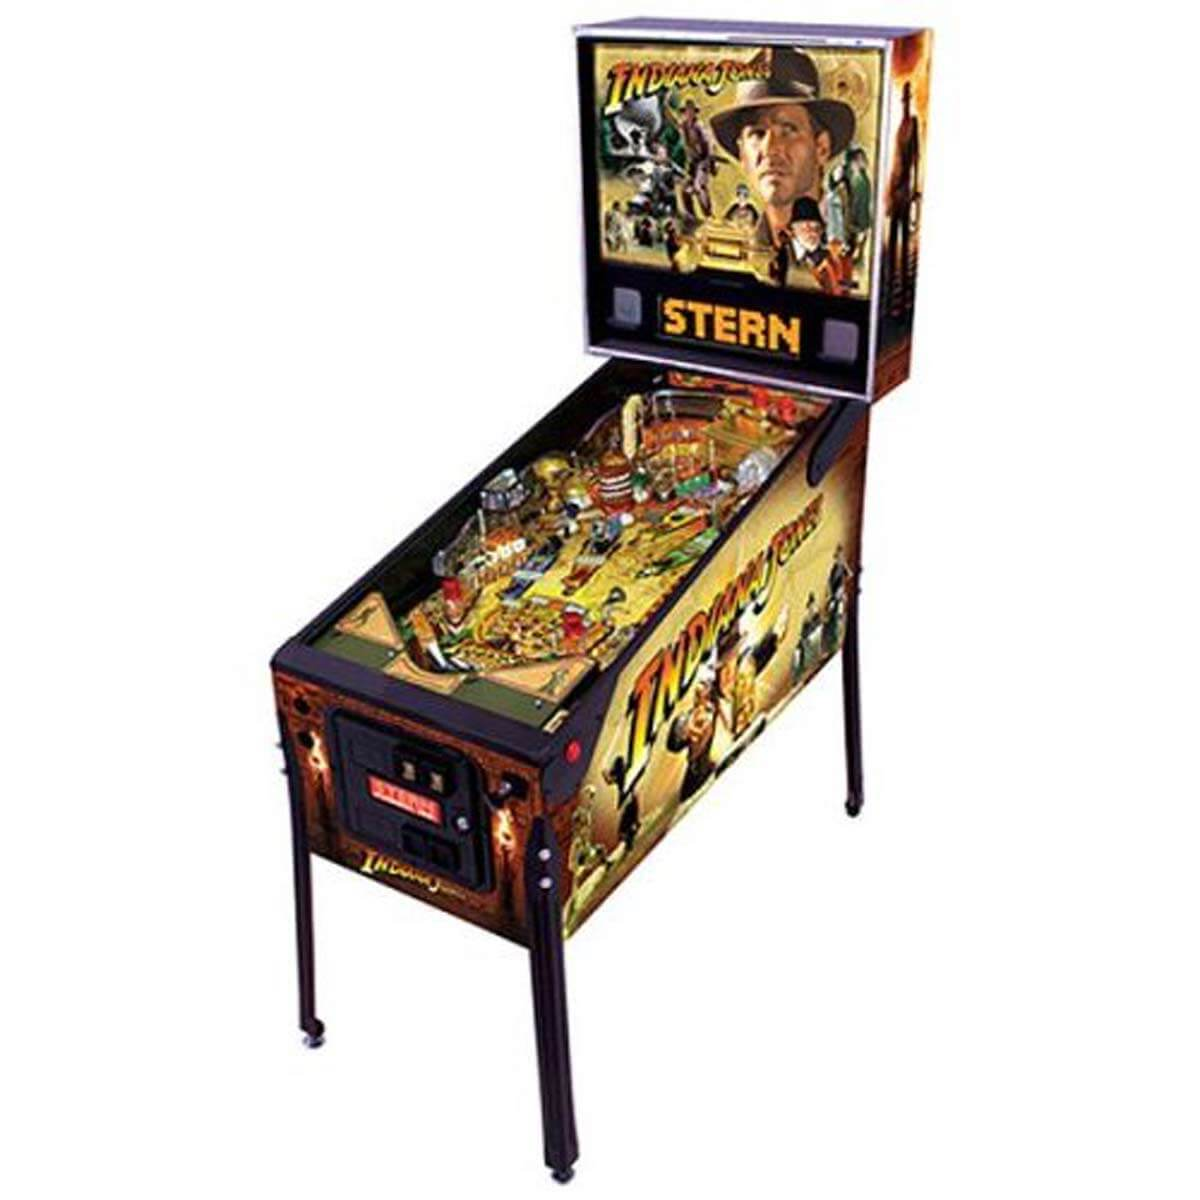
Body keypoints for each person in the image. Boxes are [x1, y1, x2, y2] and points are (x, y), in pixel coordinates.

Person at [710, 47, 855, 255]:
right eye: (757, 134)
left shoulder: (847, 241)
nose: (770, 149)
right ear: (742, 154)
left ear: (821, 148)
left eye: (788, 130)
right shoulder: (748, 246)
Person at [886, 81, 921, 314]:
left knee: (904, 243)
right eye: (904, 99)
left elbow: (916, 159)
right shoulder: (900, 125)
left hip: (905, 190)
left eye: (907, 98)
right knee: (892, 242)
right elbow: (896, 161)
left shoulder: (913, 124)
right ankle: (891, 293)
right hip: (896, 188)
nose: (905, 102)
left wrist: (915, 189)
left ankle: (905, 297)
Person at [784, 197, 851, 294]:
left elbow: (849, 286)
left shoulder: (832, 257)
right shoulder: (784, 254)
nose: (812, 233)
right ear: (793, 230)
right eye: (804, 228)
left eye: (816, 228)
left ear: (822, 230)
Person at [677, 99, 717, 222]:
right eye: (686, 111)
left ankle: (708, 216)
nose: (688, 114)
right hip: (693, 162)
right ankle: (691, 216)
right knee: (685, 189)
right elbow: (686, 146)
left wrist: (712, 163)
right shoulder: (683, 126)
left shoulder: (699, 126)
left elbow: (709, 144)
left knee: (699, 187)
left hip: (703, 160)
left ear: (694, 113)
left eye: (691, 111)